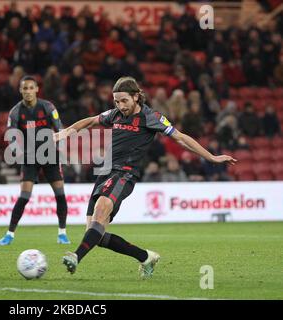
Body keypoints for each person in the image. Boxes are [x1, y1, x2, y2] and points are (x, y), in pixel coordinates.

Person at [54, 77, 236, 278]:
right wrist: (65, 133)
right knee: (94, 235)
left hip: (124, 174)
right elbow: (90, 121)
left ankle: (75, 258)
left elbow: (181, 138)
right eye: (116, 102)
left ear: (136, 97)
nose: (120, 106)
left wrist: (211, 157)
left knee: (101, 210)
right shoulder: (115, 114)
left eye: (124, 101)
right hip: (104, 173)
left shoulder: (152, 117)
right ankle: (146, 257)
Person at [0, 75, 71, 245]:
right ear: (20, 90)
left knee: (59, 193)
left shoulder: (47, 107)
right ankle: (9, 234)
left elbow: (59, 127)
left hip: (49, 154)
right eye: (25, 88)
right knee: (24, 195)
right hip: (29, 156)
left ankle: (62, 233)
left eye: (31, 88)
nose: (28, 91)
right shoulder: (16, 112)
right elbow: (11, 136)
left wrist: (59, 143)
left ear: (37, 89)